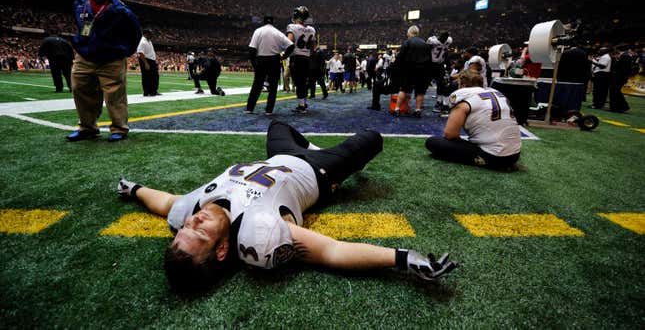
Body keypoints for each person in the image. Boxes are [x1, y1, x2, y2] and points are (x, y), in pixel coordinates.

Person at [117, 120, 457, 292]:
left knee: (278, 125)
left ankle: (309, 144)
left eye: (186, 229)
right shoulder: (256, 230)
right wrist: (402, 258)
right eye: (200, 231)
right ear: (222, 250)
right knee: (372, 138)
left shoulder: (189, 213)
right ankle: (327, 152)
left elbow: (163, 202)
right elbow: (332, 252)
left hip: (281, 157)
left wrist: (135, 189)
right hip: (320, 171)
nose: (195, 221)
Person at [67, 0, 141, 143]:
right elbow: (82, 26)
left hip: (111, 58)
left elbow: (136, 32)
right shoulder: (80, 2)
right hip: (85, 55)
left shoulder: (120, 9)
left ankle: (119, 128)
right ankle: (87, 127)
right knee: (79, 89)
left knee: (115, 94)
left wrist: (125, 51)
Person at [425, 70, 521, 170]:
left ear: (462, 85)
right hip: (515, 155)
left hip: (494, 157)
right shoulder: (496, 93)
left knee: (432, 142)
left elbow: (450, 135)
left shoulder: (464, 100)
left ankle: (485, 159)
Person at [246, 15, 294, 115]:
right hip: (274, 60)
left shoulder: (258, 31)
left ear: (263, 22)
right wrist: (284, 56)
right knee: (273, 87)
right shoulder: (277, 32)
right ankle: (269, 110)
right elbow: (291, 45)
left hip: (261, 59)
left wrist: (254, 64)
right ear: (273, 22)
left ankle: (250, 108)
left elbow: (252, 49)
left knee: (257, 85)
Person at [392, 25, 432, 118]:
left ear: (409, 33)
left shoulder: (407, 42)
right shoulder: (425, 44)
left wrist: (396, 68)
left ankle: (397, 109)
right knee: (420, 92)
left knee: (403, 90)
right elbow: (429, 60)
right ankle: (418, 110)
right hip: (422, 71)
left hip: (408, 70)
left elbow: (399, 58)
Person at [287, 6, 316, 114]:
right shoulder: (312, 29)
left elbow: (289, 42)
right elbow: (313, 46)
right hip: (307, 58)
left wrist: (284, 54)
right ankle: (303, 102)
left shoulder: (292, 27)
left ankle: (301, 106)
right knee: (303, 82)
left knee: (298, 83)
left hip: (296, 58)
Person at [427, 31, 452, 113]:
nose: (442, 40)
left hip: (438, 64)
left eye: (444, 38)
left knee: (441, 84)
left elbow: (446, 52)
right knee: (425, 84)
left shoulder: (446, 41)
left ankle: (440, 102)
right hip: (432, 64)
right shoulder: (434, 41)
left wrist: (448, 65)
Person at [137, 29, 160, 97]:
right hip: (146, 60)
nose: (151, 35)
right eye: (150, 34)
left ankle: (153, 91)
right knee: (147, 76)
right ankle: (147, 92)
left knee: (154, 76)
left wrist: (154, 60)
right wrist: (146, 63)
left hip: (151, 60)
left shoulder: (148, 41)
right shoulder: (142, 42)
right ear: (146, 34)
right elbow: (140, 53)